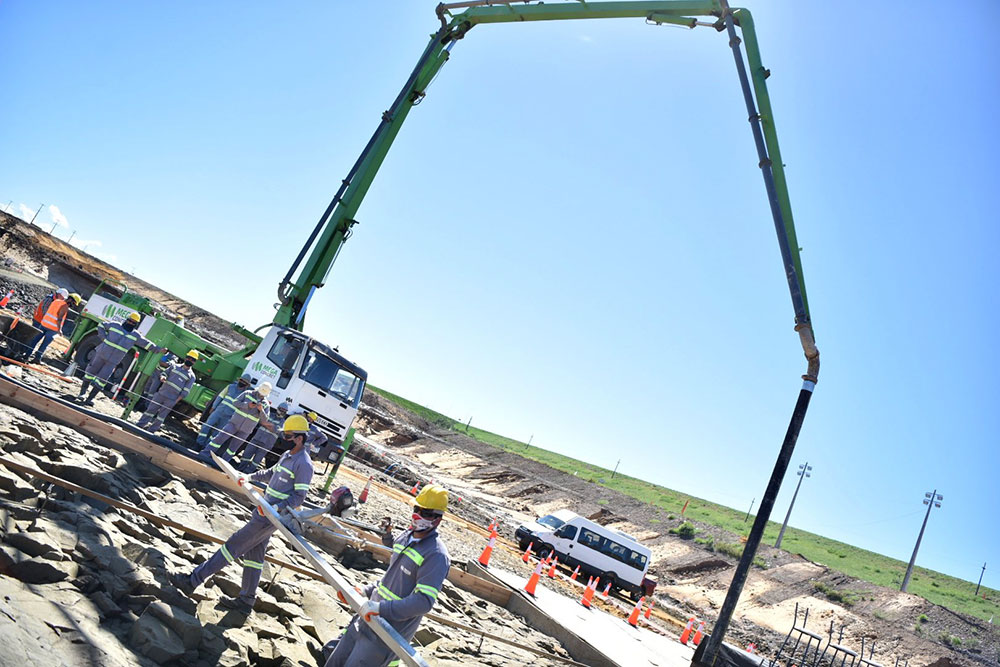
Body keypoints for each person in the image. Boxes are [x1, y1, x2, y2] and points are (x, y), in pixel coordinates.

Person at [172, 414, 314, 613]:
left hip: (269, 518)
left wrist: (277, 509)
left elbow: (299, 497)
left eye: (288, 436)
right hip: (263, 512)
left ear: (299, 438)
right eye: (284, 435)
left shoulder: (304, 464)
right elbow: (270, 473)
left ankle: (193, 580)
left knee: (232, 546)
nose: (284, 439)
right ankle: (246, 601)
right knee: (254, 557)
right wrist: (248, 477)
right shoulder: (287, 455)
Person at [324, 485, 451, 667]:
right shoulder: (405, 537)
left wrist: (381, 609)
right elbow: (391, 577)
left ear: (438, 519)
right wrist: (365, 590)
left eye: (426, 513)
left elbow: (423, 602)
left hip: (384, 636)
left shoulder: (436, 555)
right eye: (417, 509)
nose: (418, 515)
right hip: (365, 619)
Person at [76, 312, 159, 405]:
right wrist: (103, 337)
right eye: (130, 320)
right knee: (89, 373)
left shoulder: (135, 335)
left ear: (136, 324)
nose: (130, 323)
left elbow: (147, 344)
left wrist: (159, 349)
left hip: (112, 362)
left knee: (102, 381)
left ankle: (90, 399)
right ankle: (82, 393)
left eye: (133, 322)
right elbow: (101, 325)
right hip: (101, 355)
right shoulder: (115, 325)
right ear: (126, 319)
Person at [197, 382, 271, 463]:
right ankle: (204, 454)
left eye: (263, 394)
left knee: (232, 449)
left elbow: (264, 420)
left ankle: (223, 463)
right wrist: (247, 405)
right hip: (233, 424)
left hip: (245, 430)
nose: (261, 395)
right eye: (260, 393)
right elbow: (235, 402)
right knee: (219, 439)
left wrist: (261, 411)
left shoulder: (266, 404)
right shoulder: (247, 393)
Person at [136, 350, 198, 433]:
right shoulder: (174, 366)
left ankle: (151, 431)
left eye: (193, 359)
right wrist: (163, 377)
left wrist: (175, 401)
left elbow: (185, 392)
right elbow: (164, 373)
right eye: (189, 358)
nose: (190, 360)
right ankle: (140, 425)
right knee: (150, 410)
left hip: (171, 399)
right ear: (186, 358)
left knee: (161, 417)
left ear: (194, 362)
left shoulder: (191, 376)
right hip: (161, 393)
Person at [196, 373, 252, 447]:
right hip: (219, 411)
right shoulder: (230, 387)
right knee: (206, 425)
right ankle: (199, 443)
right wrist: (213, 407)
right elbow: (220, 397)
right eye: (241, 380)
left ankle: (206, 446)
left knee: (217, 432)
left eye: (244, 382)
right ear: (239, 380)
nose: (242, 383)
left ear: (247, 385)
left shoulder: (245, 395)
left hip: (229, 417)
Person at [25, 289, 78, 363]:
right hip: (53, 329)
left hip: (44, 324)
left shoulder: (56, 301)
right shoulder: (65, 306)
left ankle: (26, 355)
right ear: (71, 300)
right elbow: (59, 319)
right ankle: (37, 358)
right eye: (74, 303)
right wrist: (59, 330)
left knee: (35, 340)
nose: (73, 305)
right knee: (44, 345)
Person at [236, 402, 288, 473]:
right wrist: (271, 425)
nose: (282, 411)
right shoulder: (269, 414)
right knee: (247, 453)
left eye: (284, 410)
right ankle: (240, 469)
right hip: (257, 438)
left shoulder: (284, 422)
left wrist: (266, 424)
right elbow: (261, 421)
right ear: (278, 408)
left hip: (267, 443)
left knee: (257, 460)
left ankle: (248, 472)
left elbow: (275, 430)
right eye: (281, 409)